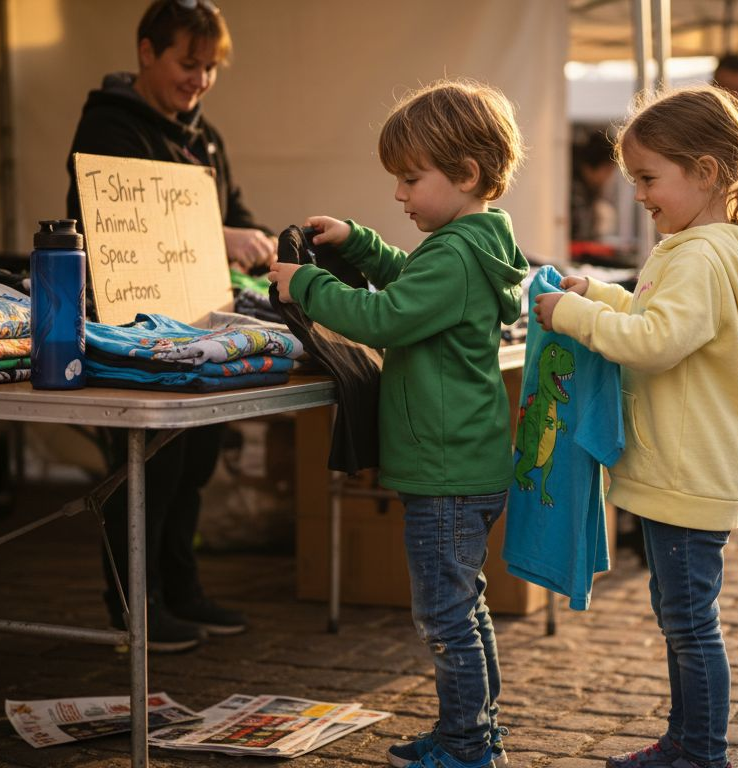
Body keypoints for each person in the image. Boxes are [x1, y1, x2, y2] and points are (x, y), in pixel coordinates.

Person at [268, 80, 528, 768]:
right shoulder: (473, 244)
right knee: (464, 611)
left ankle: (467, 748)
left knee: (445, 618)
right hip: (463, 466)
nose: (398, 194)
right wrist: (359, 244)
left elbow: (387, 316)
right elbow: (411, 282)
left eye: (411, 179)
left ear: (465, 173)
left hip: (444, 473)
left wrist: (307, 284)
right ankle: (474, 734)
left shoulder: (455, 254)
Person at [533, 84, 738, 768]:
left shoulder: (699, 256)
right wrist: (600, 293)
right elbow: (657, 318)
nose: (639, 194)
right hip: (681, 471)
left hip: (686, 474)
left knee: (690, 625)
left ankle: (701, 753)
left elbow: (655, 342)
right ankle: (684, 742)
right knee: (681, 620)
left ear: (704, 172)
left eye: (649, 178)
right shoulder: (697, 248)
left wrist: (574, 316)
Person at [64, 0, 268, 652]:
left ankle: (181, 590)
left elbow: (235, 211)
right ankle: (135, 606)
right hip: (130, 333)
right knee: (149, 467)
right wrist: (222, 234)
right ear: (147, 52)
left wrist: (260, 239)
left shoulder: (206, 138)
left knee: (196, 460)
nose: (199, 79)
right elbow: (136, 227)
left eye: (210, 67)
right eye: (188, 63)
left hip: (198, 329)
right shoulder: (107, 128)